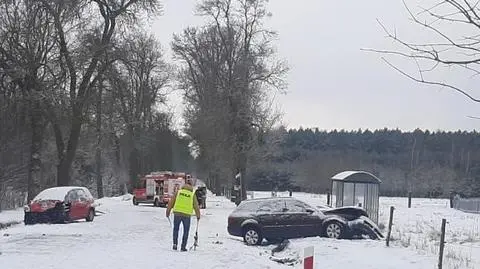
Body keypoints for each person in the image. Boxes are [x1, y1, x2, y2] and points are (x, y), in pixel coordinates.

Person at [166, 179, 201, 251]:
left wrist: (168, 212)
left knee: (176, 229)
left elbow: (171, 202)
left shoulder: (178, 192)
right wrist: (198, 216)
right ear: (191, 186)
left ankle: (175, 244)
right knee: (186, 231)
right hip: (187, 215)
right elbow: (196, 206)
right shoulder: (192, 195)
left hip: (177, 213)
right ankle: (183, 247)